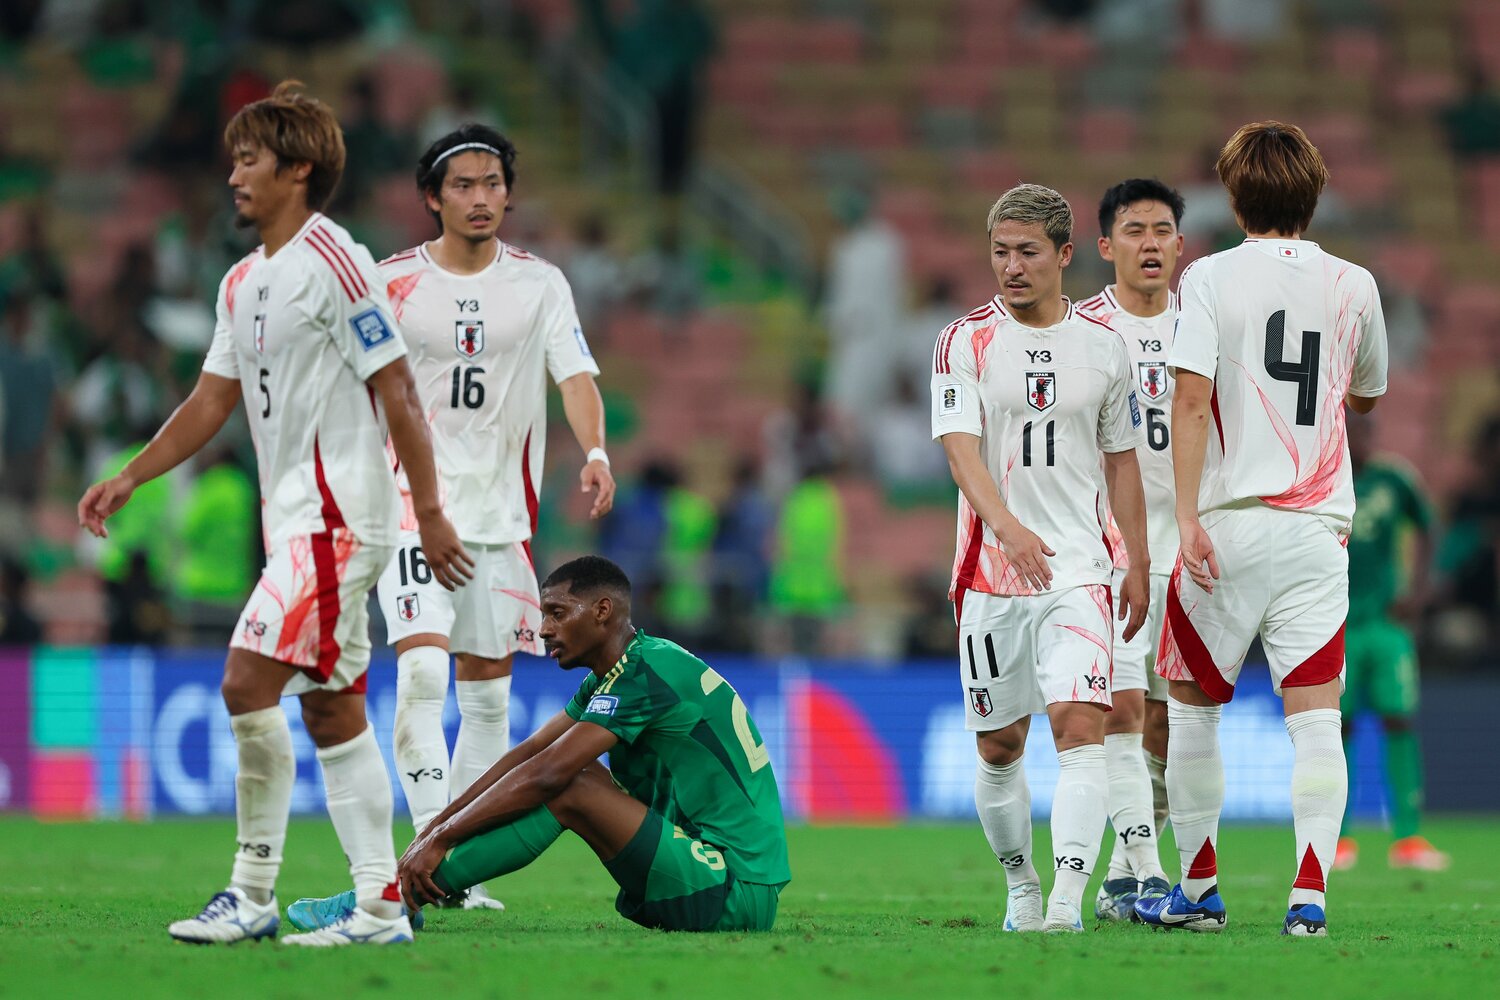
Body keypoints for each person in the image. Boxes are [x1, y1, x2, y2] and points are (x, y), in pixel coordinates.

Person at [77, 81, 471, 947]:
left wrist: (431, 512)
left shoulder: (336, 260)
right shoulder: (242, 281)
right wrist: (131, 475)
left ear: (298, 169)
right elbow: (210, 400)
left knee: (246, 682)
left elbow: (397, 387)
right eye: (232, 160)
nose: (232, 176)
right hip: (295, 525)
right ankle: (378, 907)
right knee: (333, 710)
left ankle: (251, 893)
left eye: (249, 158)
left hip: (337, 519)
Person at [287, 124, 615, 924]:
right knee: (425, 677)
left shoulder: (540, 285)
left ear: (509, 192)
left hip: (501, 519)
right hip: (408, 511)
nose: (480, 198)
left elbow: (574, 374)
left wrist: (597, 448)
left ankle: (453, 870)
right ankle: (418, 859)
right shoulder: (392, 283)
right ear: (432, 197)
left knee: (489, 703)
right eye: (463, 185)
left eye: (493, 184)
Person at [1136, 122, 1388, 938]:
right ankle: (1309, 896)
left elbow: (1187, 401)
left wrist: (1183, 519)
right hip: (1317, 532)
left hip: (1230, 525)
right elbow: (1368, 395)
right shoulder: (1356, 284)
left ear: (1234, 196)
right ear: (1313, 195)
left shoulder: (1207, 280)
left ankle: (1201, 889)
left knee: (1194, 709)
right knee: (1315, 721)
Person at [930, 183, 1150, 933]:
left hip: (1081, 570)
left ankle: (1064, 900)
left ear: (1063, 254)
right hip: (991, 575)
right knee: (1001, 744)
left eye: (1027, 251)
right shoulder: (963, 340)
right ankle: (1020, 882)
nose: (1011, 266)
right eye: (999, 252)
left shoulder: (1103, 347)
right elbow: (960, 453)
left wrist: (1139, 562)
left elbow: (1122, 462)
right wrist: (1007, 528)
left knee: (1080, 729)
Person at [391, 555, 790, 933]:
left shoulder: (646, 673)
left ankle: (391, 900)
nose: (544, 629)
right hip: (704, 872)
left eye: (557, 613)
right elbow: (528, 755)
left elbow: (548, 772)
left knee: (573, 781)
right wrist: (433, 831)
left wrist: (441, 839)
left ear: (602, 611)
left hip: (733, 887)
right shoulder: (621, 673)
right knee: (566, 773)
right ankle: (401, 892)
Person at [1076, 178, 1186, 920]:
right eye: (1135, 230)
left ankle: (1124, 871)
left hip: (1189, 550)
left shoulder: (1205, 327)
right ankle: (1141, 871)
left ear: (1181, 244)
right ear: (1106, 246)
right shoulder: (1080, 328)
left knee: (1173, 719)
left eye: (1164, 230)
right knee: (1119, 708)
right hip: (1107, 553)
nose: (1151, 243)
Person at [1334, 415, 1449, 873]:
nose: (1356, 440)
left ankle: (1408, 836)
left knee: (1398, 718)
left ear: (1371, 435)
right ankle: (1338, 839)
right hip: (1336, 621)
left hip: (1385, 623)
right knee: (1335, 726)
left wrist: (1419, 592)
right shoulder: (1323, 478)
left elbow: (1429, 526)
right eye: (1347, 432)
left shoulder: (1393, 478)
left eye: (1362, 432)